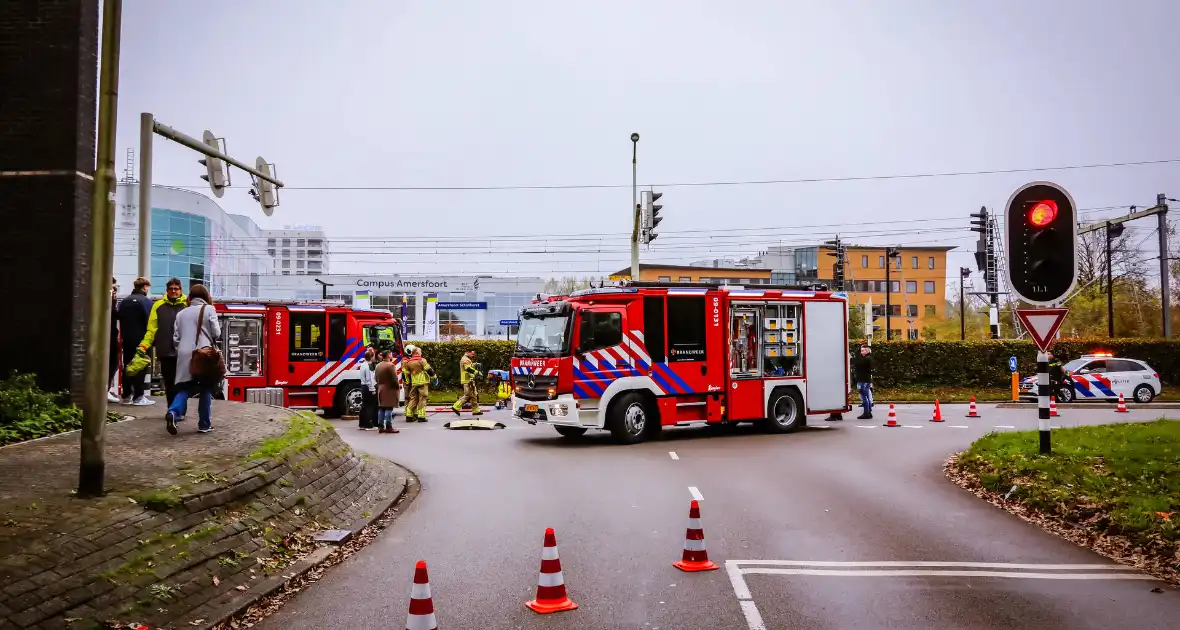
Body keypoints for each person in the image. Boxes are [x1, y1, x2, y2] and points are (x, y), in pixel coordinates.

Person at [165, 284, 221, 435]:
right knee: (205, 388)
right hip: (203, 354)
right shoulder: (209, 309)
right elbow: (217, 333)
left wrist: (183, 350)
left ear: (190, 297)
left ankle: (173, 412)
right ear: (205, 296)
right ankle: (204, 424)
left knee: (185, 387)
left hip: (184, 354)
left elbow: (176, 338)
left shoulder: (181, 313)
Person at [138, 278, 188, 406]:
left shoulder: (187, 304)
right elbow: (151, 329)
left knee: (182, 382)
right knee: (169, 383)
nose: (173, 291)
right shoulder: (158, 305)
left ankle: (179, 409)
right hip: (165, 351)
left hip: (184, 351)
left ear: (180, 290)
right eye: (171, 289)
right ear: (167, 291)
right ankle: (172, 409)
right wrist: (144, 346)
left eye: (176, 289)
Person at [116, 277, 154, 405]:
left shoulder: (124, 302)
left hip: (126, 339)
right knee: (141, 366)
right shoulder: (147, 302)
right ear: (145, 287)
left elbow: (119, 316)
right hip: (142, 341)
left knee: (128, 365)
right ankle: (139, 396)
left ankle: (126, 395)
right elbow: (151, 322)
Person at [401, 347, 435, 422]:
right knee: (422, 398)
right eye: (420, 351)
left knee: (413, 398)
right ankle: (421, 417)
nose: (421, 353)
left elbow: (405, 374)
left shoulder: (408, 362)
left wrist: (407, 381)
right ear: (416, 353)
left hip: (414, 383)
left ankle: (409, 416)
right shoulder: (422, 360)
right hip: (422, 382)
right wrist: (434, 377)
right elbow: (429, 370)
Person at [374, 350, 401, 433]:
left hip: (381, 388)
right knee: (389, 408)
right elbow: (394, 378)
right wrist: (398, 386)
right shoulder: (391, 365)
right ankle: (389, 426)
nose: (392, 356)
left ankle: (380, 426)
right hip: (389, 389)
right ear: (389, 356)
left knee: (381, 408)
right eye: (391, 354)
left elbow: (375, 378)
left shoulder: (378, 365)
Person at [452, 350, 482, 416]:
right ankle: (455, 406)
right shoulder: (465, 359)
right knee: (468, 395)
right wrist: (477, 372)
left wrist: (474, 364)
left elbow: (469, 366)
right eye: (472, 354)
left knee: (474, 395)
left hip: (469, 380)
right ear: (468, 352)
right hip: (467, 380)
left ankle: (476, 411)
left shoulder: (467, 359)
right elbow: (468, 368)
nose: (473, 355)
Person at [108, 278, 122, 403]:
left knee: (114, 362)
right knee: (112, 362)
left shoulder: (112, 303)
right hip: (109, 337)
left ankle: (106, 389)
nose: (114, 291)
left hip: (111, 336)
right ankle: (105, 389)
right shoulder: (107, 303)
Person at [852, 344, 874, 420]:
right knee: (866, 396)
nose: (861, 352)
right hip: (865, 380)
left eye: (862, 350)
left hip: (863, 380)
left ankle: (866, 413)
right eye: (861, 350)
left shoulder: (866, 359)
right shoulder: (868, 358)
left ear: (867, 351)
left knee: (864, 397)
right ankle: (869, 412)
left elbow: (857, 363)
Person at [358, 348, 378, 430]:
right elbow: (369, 379)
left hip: (363, 386)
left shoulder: (363, 364)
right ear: (371, 357)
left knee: (364, 406)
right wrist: (372, 389)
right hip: (368, 387)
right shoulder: (368, 366)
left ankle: (362, 423)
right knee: (370, 406)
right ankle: (369, 425)